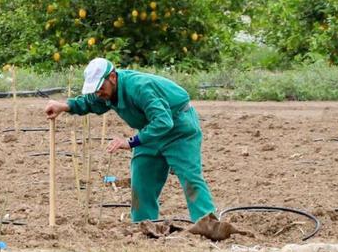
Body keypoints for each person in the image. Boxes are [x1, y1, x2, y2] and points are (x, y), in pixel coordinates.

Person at [44, 58, 216, 223]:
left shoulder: (140, 87)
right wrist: (65, 106)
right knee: (141, 180)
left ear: (112, 77)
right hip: (150, 129)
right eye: (94, 89)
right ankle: (144, 225)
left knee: (190, 178)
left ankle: (207, 223)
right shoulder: (107, 92)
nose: (98, 93)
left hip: (178, 128)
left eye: (100, 88)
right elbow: (90, 102)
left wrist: (130, 142)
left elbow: (164, 121)